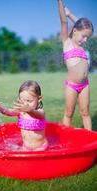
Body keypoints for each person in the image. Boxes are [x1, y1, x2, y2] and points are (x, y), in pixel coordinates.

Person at [57, 0, 94, 130]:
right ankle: (66, 140)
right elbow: (63, 21)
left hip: (85, 85)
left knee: (85, 112)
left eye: (87, 38)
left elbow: (83, 27)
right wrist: (60, 3)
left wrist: (70, 13)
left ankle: (91, 141)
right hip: (72, 86)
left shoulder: (83, 47)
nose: (85, 40)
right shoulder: (67, 43)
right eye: (84, 37)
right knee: (69, 113)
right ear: (74, 31)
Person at [0, 80, 48, 151]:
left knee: (33, 161)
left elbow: (36, 114)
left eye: (29, 101)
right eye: (22, 101)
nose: (25, 104)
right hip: (26, 148)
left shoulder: (40, 112)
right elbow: (8, 112)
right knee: (9, 147)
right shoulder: (21, 111)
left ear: (39, 99)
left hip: (40, 148)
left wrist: (30, 110)